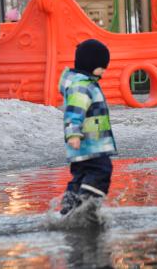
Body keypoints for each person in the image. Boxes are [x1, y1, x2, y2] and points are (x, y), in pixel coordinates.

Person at [58, 39, 117, 216]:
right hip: (91, 146)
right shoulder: (82, 86)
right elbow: (74, 112)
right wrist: (73, 134)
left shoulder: (82, 83)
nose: (104, 70)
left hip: (85, 147)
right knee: (102, 171)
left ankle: (70, 205)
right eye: (102, 66)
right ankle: (84, 206)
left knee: (81, 175)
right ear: (92, 64)